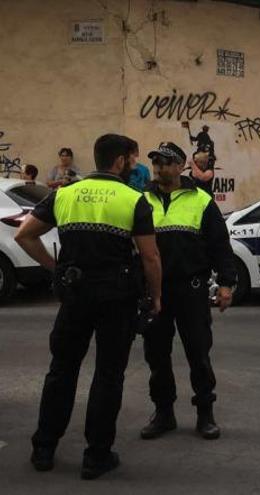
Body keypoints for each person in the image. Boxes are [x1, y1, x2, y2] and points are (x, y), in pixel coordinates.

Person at [15, 134, 162, 479]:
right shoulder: (133, 200)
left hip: (75, 295)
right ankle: (96, 456)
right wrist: (156, 296)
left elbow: (25, 235)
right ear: (122, 160)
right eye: (133, 159)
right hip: (117, 298)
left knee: (62, 370)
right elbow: (151, 256)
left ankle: (44, 449)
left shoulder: (64, 194)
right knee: (108, 376)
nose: (135, 166)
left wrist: (57, 270)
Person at [139, 141, 235, 441]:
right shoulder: (141, 200)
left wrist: (226, 284)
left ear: (181, 165)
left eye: (166, 162)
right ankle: (163, 413)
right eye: (156, 162)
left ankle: (205, 413)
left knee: (198, 354)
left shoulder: (201, 201)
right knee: (156, 357)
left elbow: (220, 244)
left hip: (190, 290)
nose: (159, 168)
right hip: (154, 291)